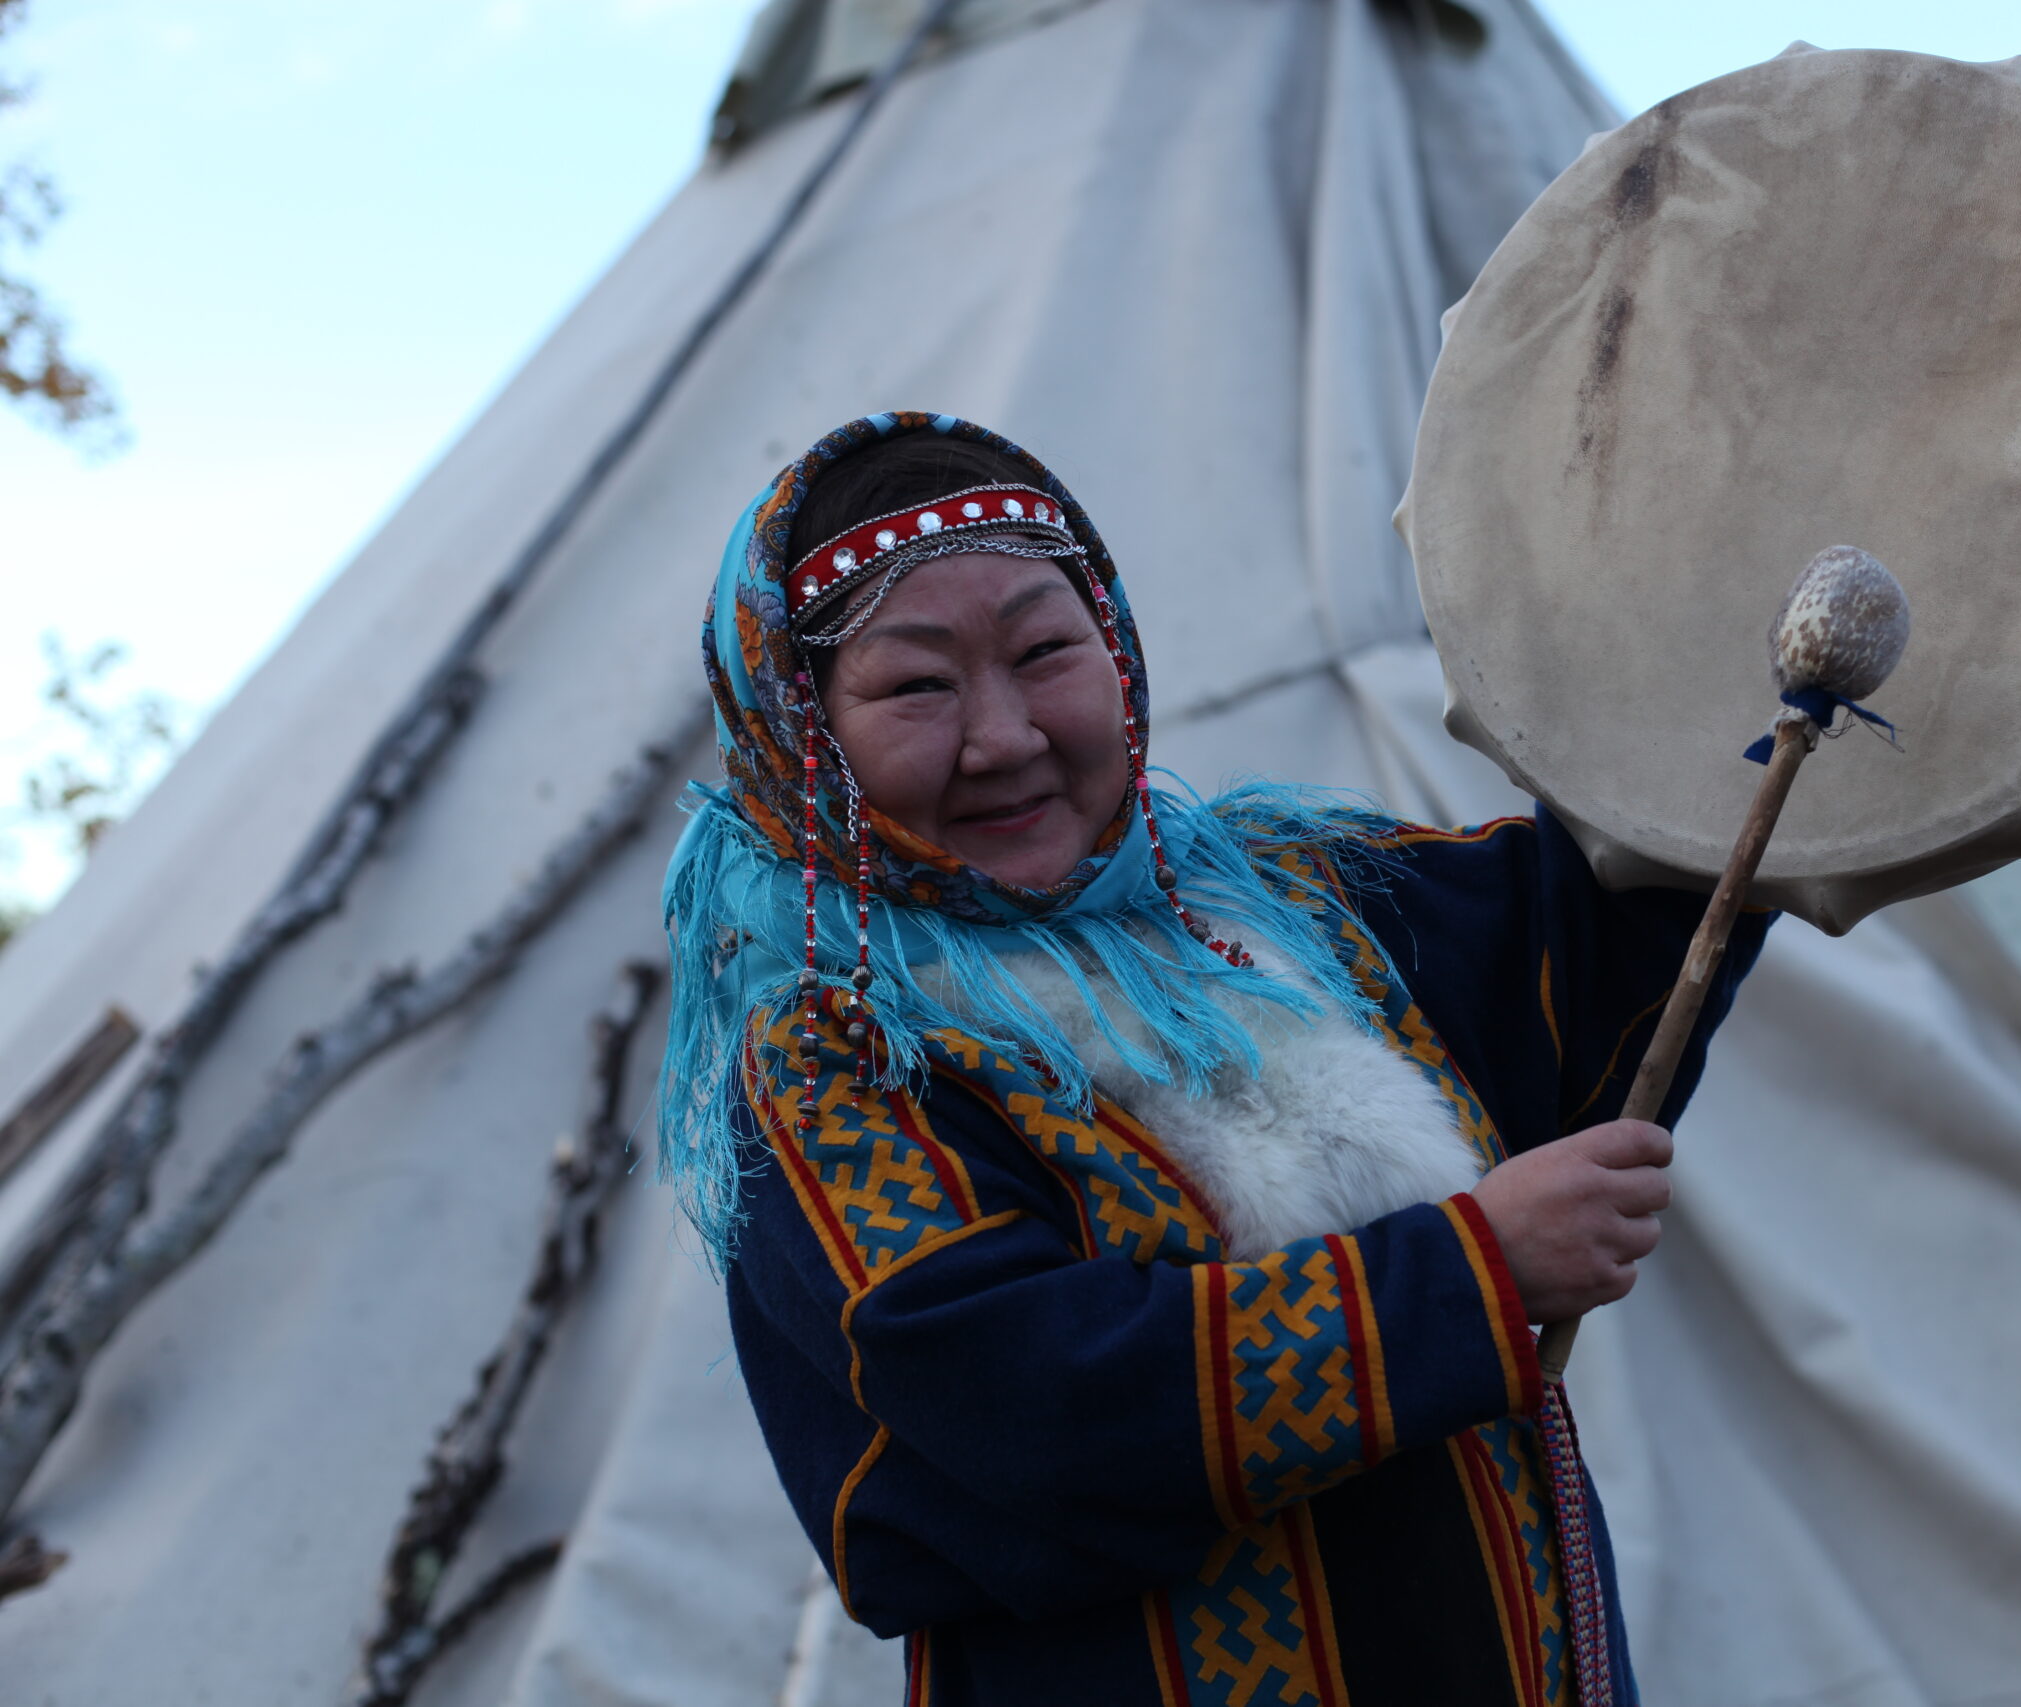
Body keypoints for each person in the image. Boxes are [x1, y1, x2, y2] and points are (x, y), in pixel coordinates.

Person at [659, 412, 1770, 1706]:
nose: (1007, 734)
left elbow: (1597, 915)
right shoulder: (833, 1058)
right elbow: (1023, 1391)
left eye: (1045, 651)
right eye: (917, 686)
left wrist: (1748, 676)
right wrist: (1470, 1273)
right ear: (805, 729)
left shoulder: (1292, 903)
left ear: (1116, 649)